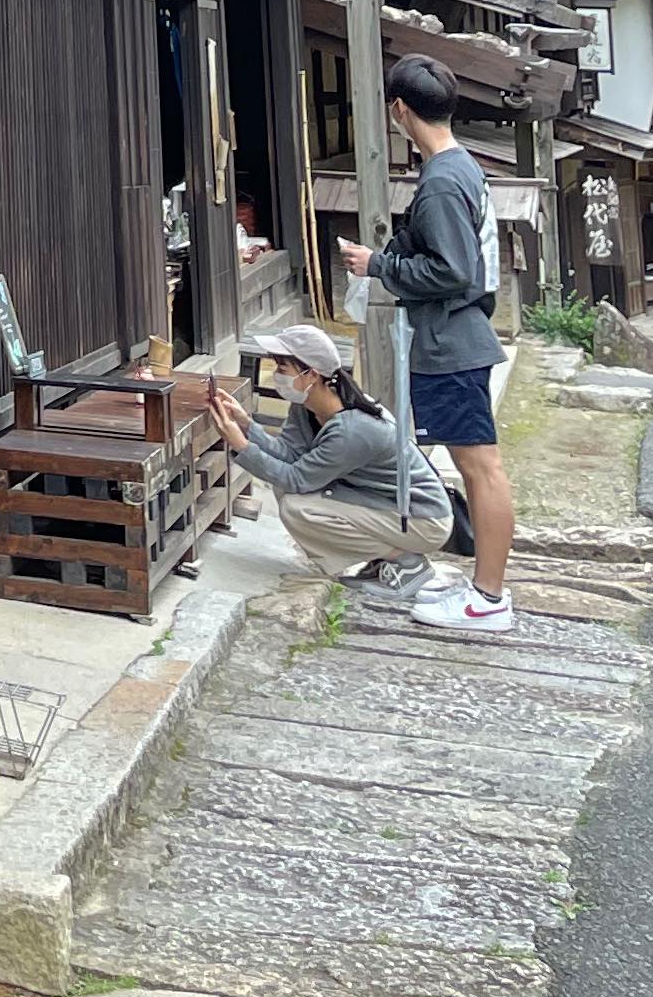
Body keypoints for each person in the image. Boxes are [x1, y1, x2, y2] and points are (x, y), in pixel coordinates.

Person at [339, 53, 516, 637]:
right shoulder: (461, 166)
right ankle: (484, 590)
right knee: (478, 467)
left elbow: (452, 270)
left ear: (399, 109)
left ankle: (489, 598)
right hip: (460, 337)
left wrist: (379, 265)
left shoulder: (440, 180)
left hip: (453, 343)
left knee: (481, 469)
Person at [199, 324, 459, 585]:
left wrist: (241, 445)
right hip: (385, 504)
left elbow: (296, 478)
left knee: (299, 508)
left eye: (282, 369)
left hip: (423, 519)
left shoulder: (352, 429)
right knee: (286, 490)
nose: (276, 376)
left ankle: (405, 561)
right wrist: (246, 425)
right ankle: (384, 559)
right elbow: (290, 455)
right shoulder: (307, 406)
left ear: (311, 374)